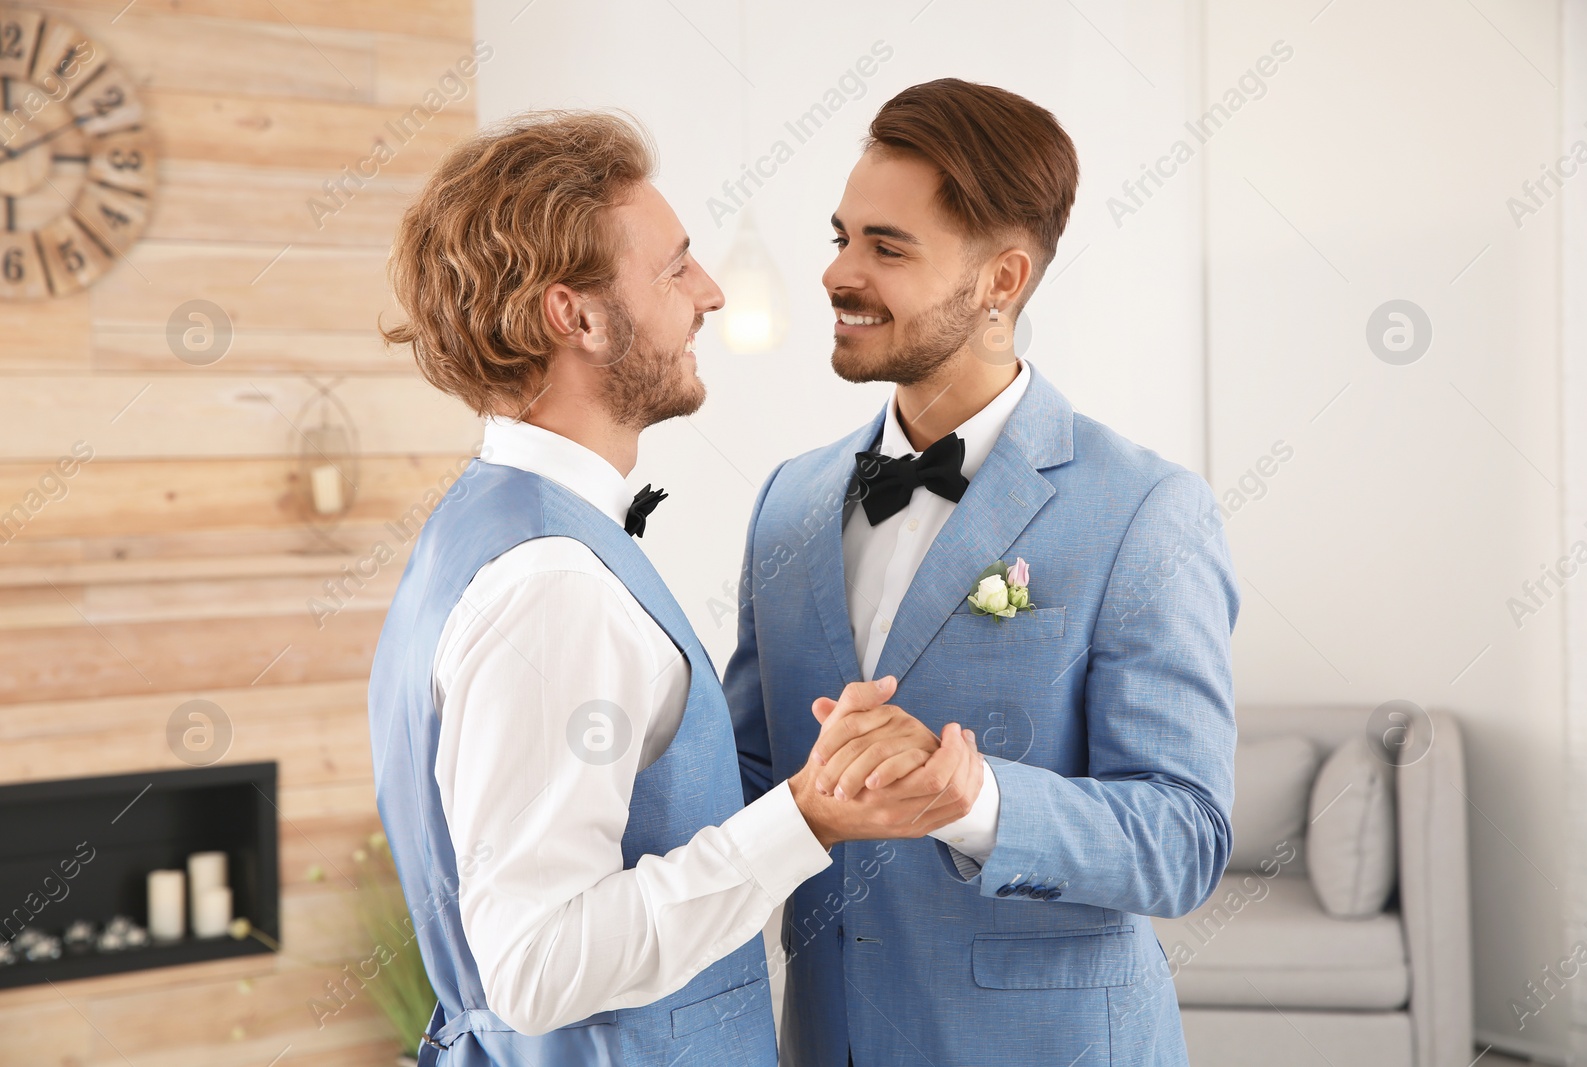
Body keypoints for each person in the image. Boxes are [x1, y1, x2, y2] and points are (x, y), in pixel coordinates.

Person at [366, 109, 986, 1067]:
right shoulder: (551, 587)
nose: (708, 292)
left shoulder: (487, 523)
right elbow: (533, 965)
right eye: (674, 267)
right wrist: (809, 816)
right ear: (574, 315)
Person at [724, 78, 1241, 1066]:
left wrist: (974, 799)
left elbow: (1183, 840)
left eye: (886, 247)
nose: (837, 273)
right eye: (840, 237)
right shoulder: (786, 501)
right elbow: (746, 775)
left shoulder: (1146, 509)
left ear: (1001, 281)